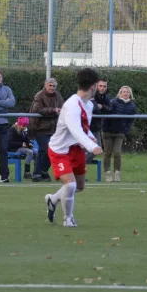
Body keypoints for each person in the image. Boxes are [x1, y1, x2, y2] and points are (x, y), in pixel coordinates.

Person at [44, 68, 103, 227]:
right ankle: (68, 219)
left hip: (76, 150)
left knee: (79, 186)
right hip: (60, 150)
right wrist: (92, 145)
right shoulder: (72, 105)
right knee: (70, 185)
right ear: (94, 86)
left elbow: (83, 128)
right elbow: (75, 130)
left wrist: (90, 136)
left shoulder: (88, 105)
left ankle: (53, 199)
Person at [30, 78, 64, 182]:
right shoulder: (39, 95)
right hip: (40, 127)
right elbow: (37, 110)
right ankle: (38, 173)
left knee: (52, 150)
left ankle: (41, 172)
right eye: (50, 85)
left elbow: (63, 106)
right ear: (45, 85)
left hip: (53, 128)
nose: (52, 88)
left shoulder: (58, 96)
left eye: (54, 86)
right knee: (45, 150)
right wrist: (53, 110)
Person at [103, 86, 136, 182]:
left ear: (130, 94)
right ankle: (108, 174)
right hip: (108, 131)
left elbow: (130, 120)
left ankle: (117, 174)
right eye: (123, 92)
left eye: (127, 92)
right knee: (107, 152)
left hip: (120, 132)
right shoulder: (113, 102)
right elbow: (107, 114)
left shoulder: (132, 106)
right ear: (120, 93)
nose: (125, 93)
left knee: (117, 153)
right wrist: (105, 127)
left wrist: (125, 130)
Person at [87, 78, 112, 164]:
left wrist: (102, 107)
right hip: (86, 126)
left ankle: (78, 165)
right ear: (96, 86)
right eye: (100, 86)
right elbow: (94, 108)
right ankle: (77, 166)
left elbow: (110, 109)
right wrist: (100, 108)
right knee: (89, 148)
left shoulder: (107, 96)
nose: (102, 88)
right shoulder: (91, 93)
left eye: (104, 86)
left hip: (96, 126)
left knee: (97, 148)